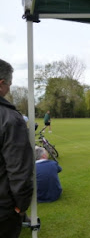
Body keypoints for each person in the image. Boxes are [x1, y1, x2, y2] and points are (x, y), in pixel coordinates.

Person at [0, 59, 34, 238]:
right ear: (1, 84)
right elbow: (19, 170)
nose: (9, 89)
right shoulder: (10, 119)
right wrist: (22, 206)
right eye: (9, 84)